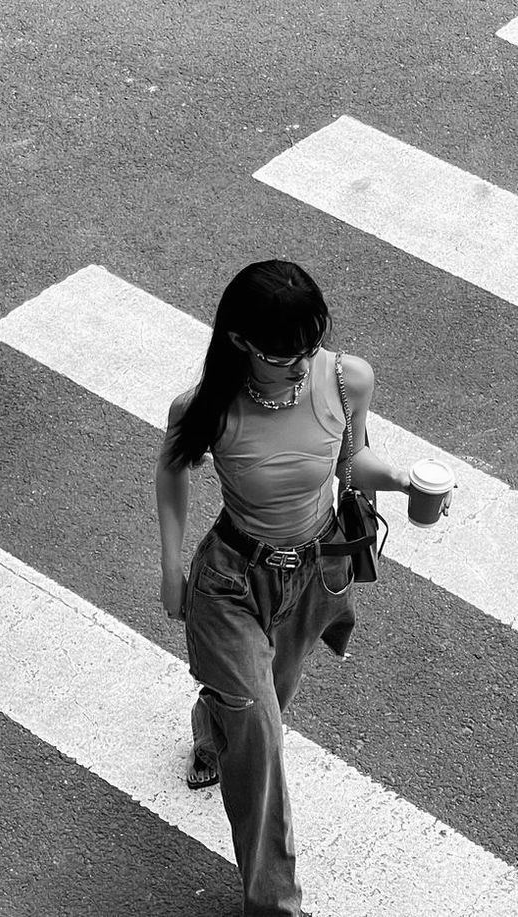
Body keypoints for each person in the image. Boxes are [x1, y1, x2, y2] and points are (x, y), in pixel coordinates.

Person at [155, 260, 410, 917]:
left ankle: (210, 728)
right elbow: (172, 471)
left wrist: (406, 482)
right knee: (262, 734)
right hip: (231, 583)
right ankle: (275, 904)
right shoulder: (205, 407)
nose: (302, 364)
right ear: (240, 342)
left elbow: (352, 461)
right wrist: (169, 567)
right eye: (283, 352)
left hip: (313, 574)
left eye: (310, 343)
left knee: (262, 707)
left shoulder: (346, 378)